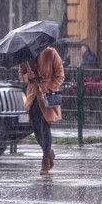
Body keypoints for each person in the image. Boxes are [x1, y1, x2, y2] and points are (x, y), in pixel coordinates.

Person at [18, 46, 65, 175]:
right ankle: (48, 151)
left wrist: (50, 87)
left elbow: (60, 75)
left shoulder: (51, 53)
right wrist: (28, 76)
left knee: (45, 128)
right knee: (36, 128)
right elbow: (21, 76)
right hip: (33, 97)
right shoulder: (25, 56)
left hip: (47, 97)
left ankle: (45, 160)